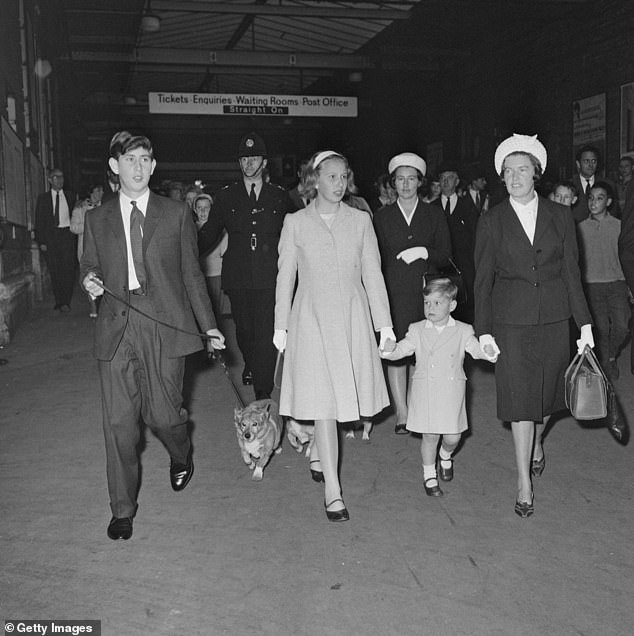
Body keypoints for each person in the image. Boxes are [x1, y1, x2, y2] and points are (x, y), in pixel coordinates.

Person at [80, 131, 225, 541]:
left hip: (164, 325)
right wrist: (89, 280)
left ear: (153, 165)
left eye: (145, 159)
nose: (139, 167)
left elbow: (192, 275)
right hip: (116, 326)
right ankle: (122, 509)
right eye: (130, 160)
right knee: (119, 425)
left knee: (164, 415)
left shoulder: (176, 213)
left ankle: (180, 453)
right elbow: (88, 266)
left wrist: (209, 324)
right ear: (115, 166)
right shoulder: (97, 218)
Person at [474, 133, 594, 518]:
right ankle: (523, 481)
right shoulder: (492, 220)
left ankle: (537, 444)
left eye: (522, 170)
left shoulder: (560, 216)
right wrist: (484, 330)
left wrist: (585, 325)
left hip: (555, 319)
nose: (514, 177)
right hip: (511, 321)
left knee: (543, 400)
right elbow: (482, 280)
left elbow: (573, 274)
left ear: (536, 174)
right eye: (508, 172)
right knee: (521, 401)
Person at [273, 150, 395, 522]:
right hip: (310, 318)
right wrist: (281, 326)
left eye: (344, 177)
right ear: (315, 179)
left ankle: (317, 453)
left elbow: (374, 274)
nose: (339, 184)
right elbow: (285, 277)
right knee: (324, 403)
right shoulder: (295, 222)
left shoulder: (360, 221)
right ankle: (333, 491)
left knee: (343, 399)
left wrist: (384, 325)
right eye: (331, 177)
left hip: (351, 316)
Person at [198, 132, 297, 399]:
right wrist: (185, 253)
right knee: (244, 331)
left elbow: (298, 231)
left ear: (264, 162)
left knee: (265, 333)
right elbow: (209, 233)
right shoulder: (227, 196)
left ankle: (262, 393)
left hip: (269, 276)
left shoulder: (279, 196)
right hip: (239, 275)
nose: (249, 163)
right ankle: (251, 362)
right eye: (244, 158)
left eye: (254, 158)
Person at [380, 278, 497, 497]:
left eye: (437, 303)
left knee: (453, 436)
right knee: (430, 436)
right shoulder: (417, 329)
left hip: (451, 392)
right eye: (427, 303)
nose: (430, 308)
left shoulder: (463, 330)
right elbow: (402, 350)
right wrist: (389, 349)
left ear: (451, 305)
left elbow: (475, 349)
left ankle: (445, 455)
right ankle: (429, 475)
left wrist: (487, 351)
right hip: (426, 392)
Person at [373, 153, 452, 434]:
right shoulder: (382, 217)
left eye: (411, 178)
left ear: (420, 182)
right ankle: (402, 413)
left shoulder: (433, 214)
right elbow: (375, 259)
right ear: (393, 182)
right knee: (398, 352)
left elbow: (446, 255)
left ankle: (422, 408)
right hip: (394, 294)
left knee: (425, 352)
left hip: (426, 293)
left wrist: (425, 252)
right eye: (400, 179)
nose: (405, 184)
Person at [577, 182, 629, 380]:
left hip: (617, 283)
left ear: (608, 202)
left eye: (599, 198)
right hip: (592, 286)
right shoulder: (580, 228)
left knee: (622, 326)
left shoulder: (619, 226)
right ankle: (607, 363)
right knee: (600, 328)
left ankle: (611, 355)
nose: (593, 202)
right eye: (590, 198)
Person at [432, 161, 479, 322]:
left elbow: (475, 238)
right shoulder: (432, 208)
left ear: (457, 181)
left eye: (450, 178)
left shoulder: (468, 206)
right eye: (442, 178)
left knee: (464, 315)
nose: (446, 182)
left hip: (464, 271)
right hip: (439, 272)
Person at [34, 168, 77, 312]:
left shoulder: (71, 196)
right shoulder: (43, 198)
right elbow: (39, 221)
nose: (60, 180)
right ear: (50, 180)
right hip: (51, 237)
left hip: (67, 235)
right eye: (56, 177)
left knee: (68, 269)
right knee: (55, 270)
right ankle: (59, 300)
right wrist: (42, 242)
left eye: (62, 177)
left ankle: (66, 301)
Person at [70, 183, 104, 318]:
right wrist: (89, 225)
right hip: (86, 247)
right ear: (91, 192)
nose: (100, 193)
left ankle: (103, 305)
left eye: (101, 190)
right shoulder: (80, 208)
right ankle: (93, 307)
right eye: (97, 190)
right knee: (90, 276)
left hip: (103, 247)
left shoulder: (106, 206)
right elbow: (73, 227)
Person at [193, 192, 229, 320]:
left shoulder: (221, 231)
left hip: (215, 276)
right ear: (194, 210)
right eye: (199, 208)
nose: (202, 211)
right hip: (197, 276)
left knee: (217, 315)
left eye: (206, 208)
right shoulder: (189, 229)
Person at [571, 145, 617, 222]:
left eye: (593, 161)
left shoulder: (608, 184)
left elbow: (614, 213)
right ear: (578, 164)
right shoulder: (569, 185)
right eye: (586, 161)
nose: (590, 165)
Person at [616, 155, 634, 221]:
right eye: (621, 167)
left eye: (626, 166)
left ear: (632, 167)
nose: (623, 169)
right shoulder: (616, 185)